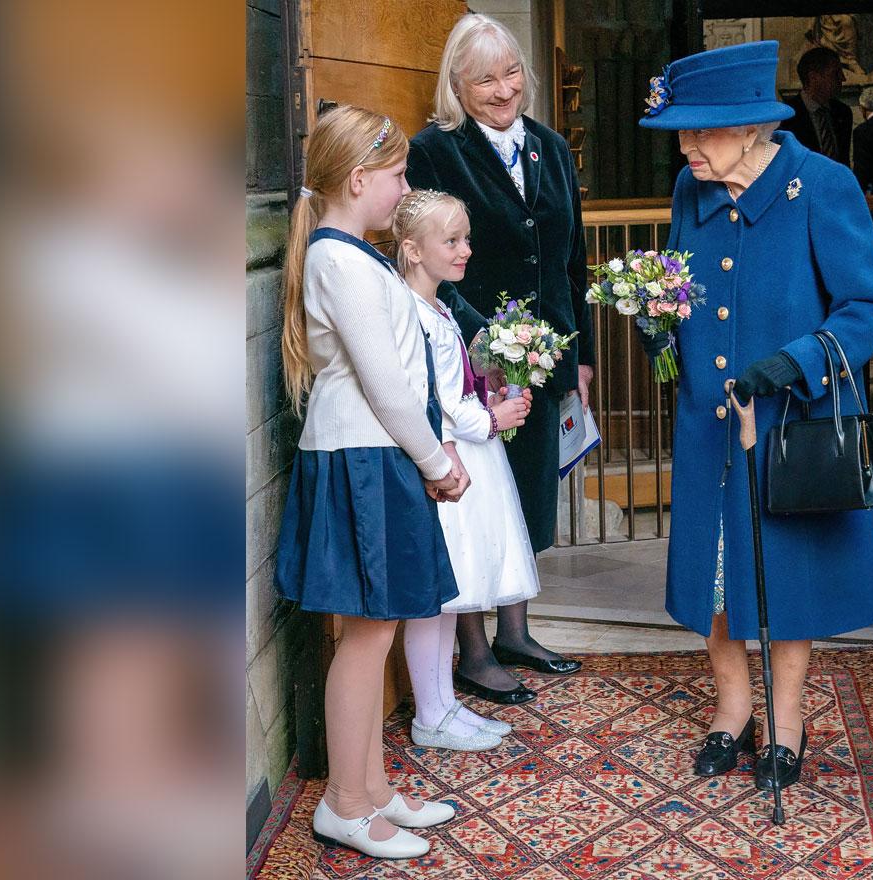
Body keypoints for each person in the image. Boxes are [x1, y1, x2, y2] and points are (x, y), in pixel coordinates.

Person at [638, 41, 873, 792]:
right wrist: (660, 325)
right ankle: (732, 710)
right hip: (707, 422)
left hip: (787, 422)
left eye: (701, 132)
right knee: (715, 575)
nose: (686, 148)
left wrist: (797, 362)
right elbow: (682, 283)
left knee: (786, 574)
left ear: (753, 128)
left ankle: (787, 720)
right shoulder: (693, 190)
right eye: (680, 133)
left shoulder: (823, 186)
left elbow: (868, 308)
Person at [274, 106, 467, 860]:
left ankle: (374, 787)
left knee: (377, 627)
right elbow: (387, 388)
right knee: (365, 637)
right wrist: (437, 463)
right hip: (364, 455)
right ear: (359, 179)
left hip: (377, 453)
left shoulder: (356, 255)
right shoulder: (338, 261)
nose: (405, 188)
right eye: (398, 177)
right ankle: (344, 803)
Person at [406, 12, 595, 703]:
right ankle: (475, 648)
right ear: (456, 83)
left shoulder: (551, 147)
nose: (503, 88)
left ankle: (517, 629)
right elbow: (423, 260)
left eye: (511, 72)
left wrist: (578, 352)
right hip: (473, 355)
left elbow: (572, 260)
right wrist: (487, 340)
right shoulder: (434, 150)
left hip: (544, 358)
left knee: (528, 490)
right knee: (479, 496)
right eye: (484, 77)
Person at [394, 189, 543, 750]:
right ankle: (430, 713)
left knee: (447, 598)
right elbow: (428, 396)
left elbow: (456, 381)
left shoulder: (438, 307)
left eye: (466, 239)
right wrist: (490, 417)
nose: (465, 251)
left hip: (469, 449)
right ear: (411, 250)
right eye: (451, 241)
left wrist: (495, 391)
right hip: (449, 458)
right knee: (435, 598)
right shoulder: (411, 311)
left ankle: (444, 706)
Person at [779, 46, 852, 166]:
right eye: (835, 73)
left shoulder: (843, 112)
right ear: (813, 77)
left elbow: (844, 160)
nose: (843, 79)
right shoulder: (787, 116)